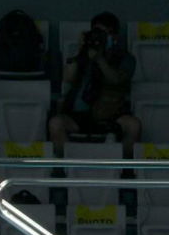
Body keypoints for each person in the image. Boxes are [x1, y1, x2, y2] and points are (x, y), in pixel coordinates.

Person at [48, 11, 141, 158]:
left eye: (106, 34)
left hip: (111, 114)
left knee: (133, 125)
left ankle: (121, 169)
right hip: (80, 114)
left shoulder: (126, 58)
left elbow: (116, 79)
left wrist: (100, 59)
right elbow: (67, 77)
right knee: (56, 123)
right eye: (98, 32)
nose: (101, 37)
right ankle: (67, 168)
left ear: (115, 36)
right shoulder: (83, 54)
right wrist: (81, 50)